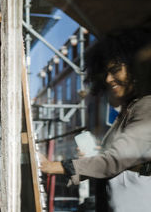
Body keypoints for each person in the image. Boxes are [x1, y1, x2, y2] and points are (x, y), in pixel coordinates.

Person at [40, 28, 151, 212]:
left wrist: (52, 166)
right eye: (105, 73)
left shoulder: (147, 106)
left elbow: (116, 160)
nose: (108, 79)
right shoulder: (130, 109)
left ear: (136, 68)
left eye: (115, 70)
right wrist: (96, 156)